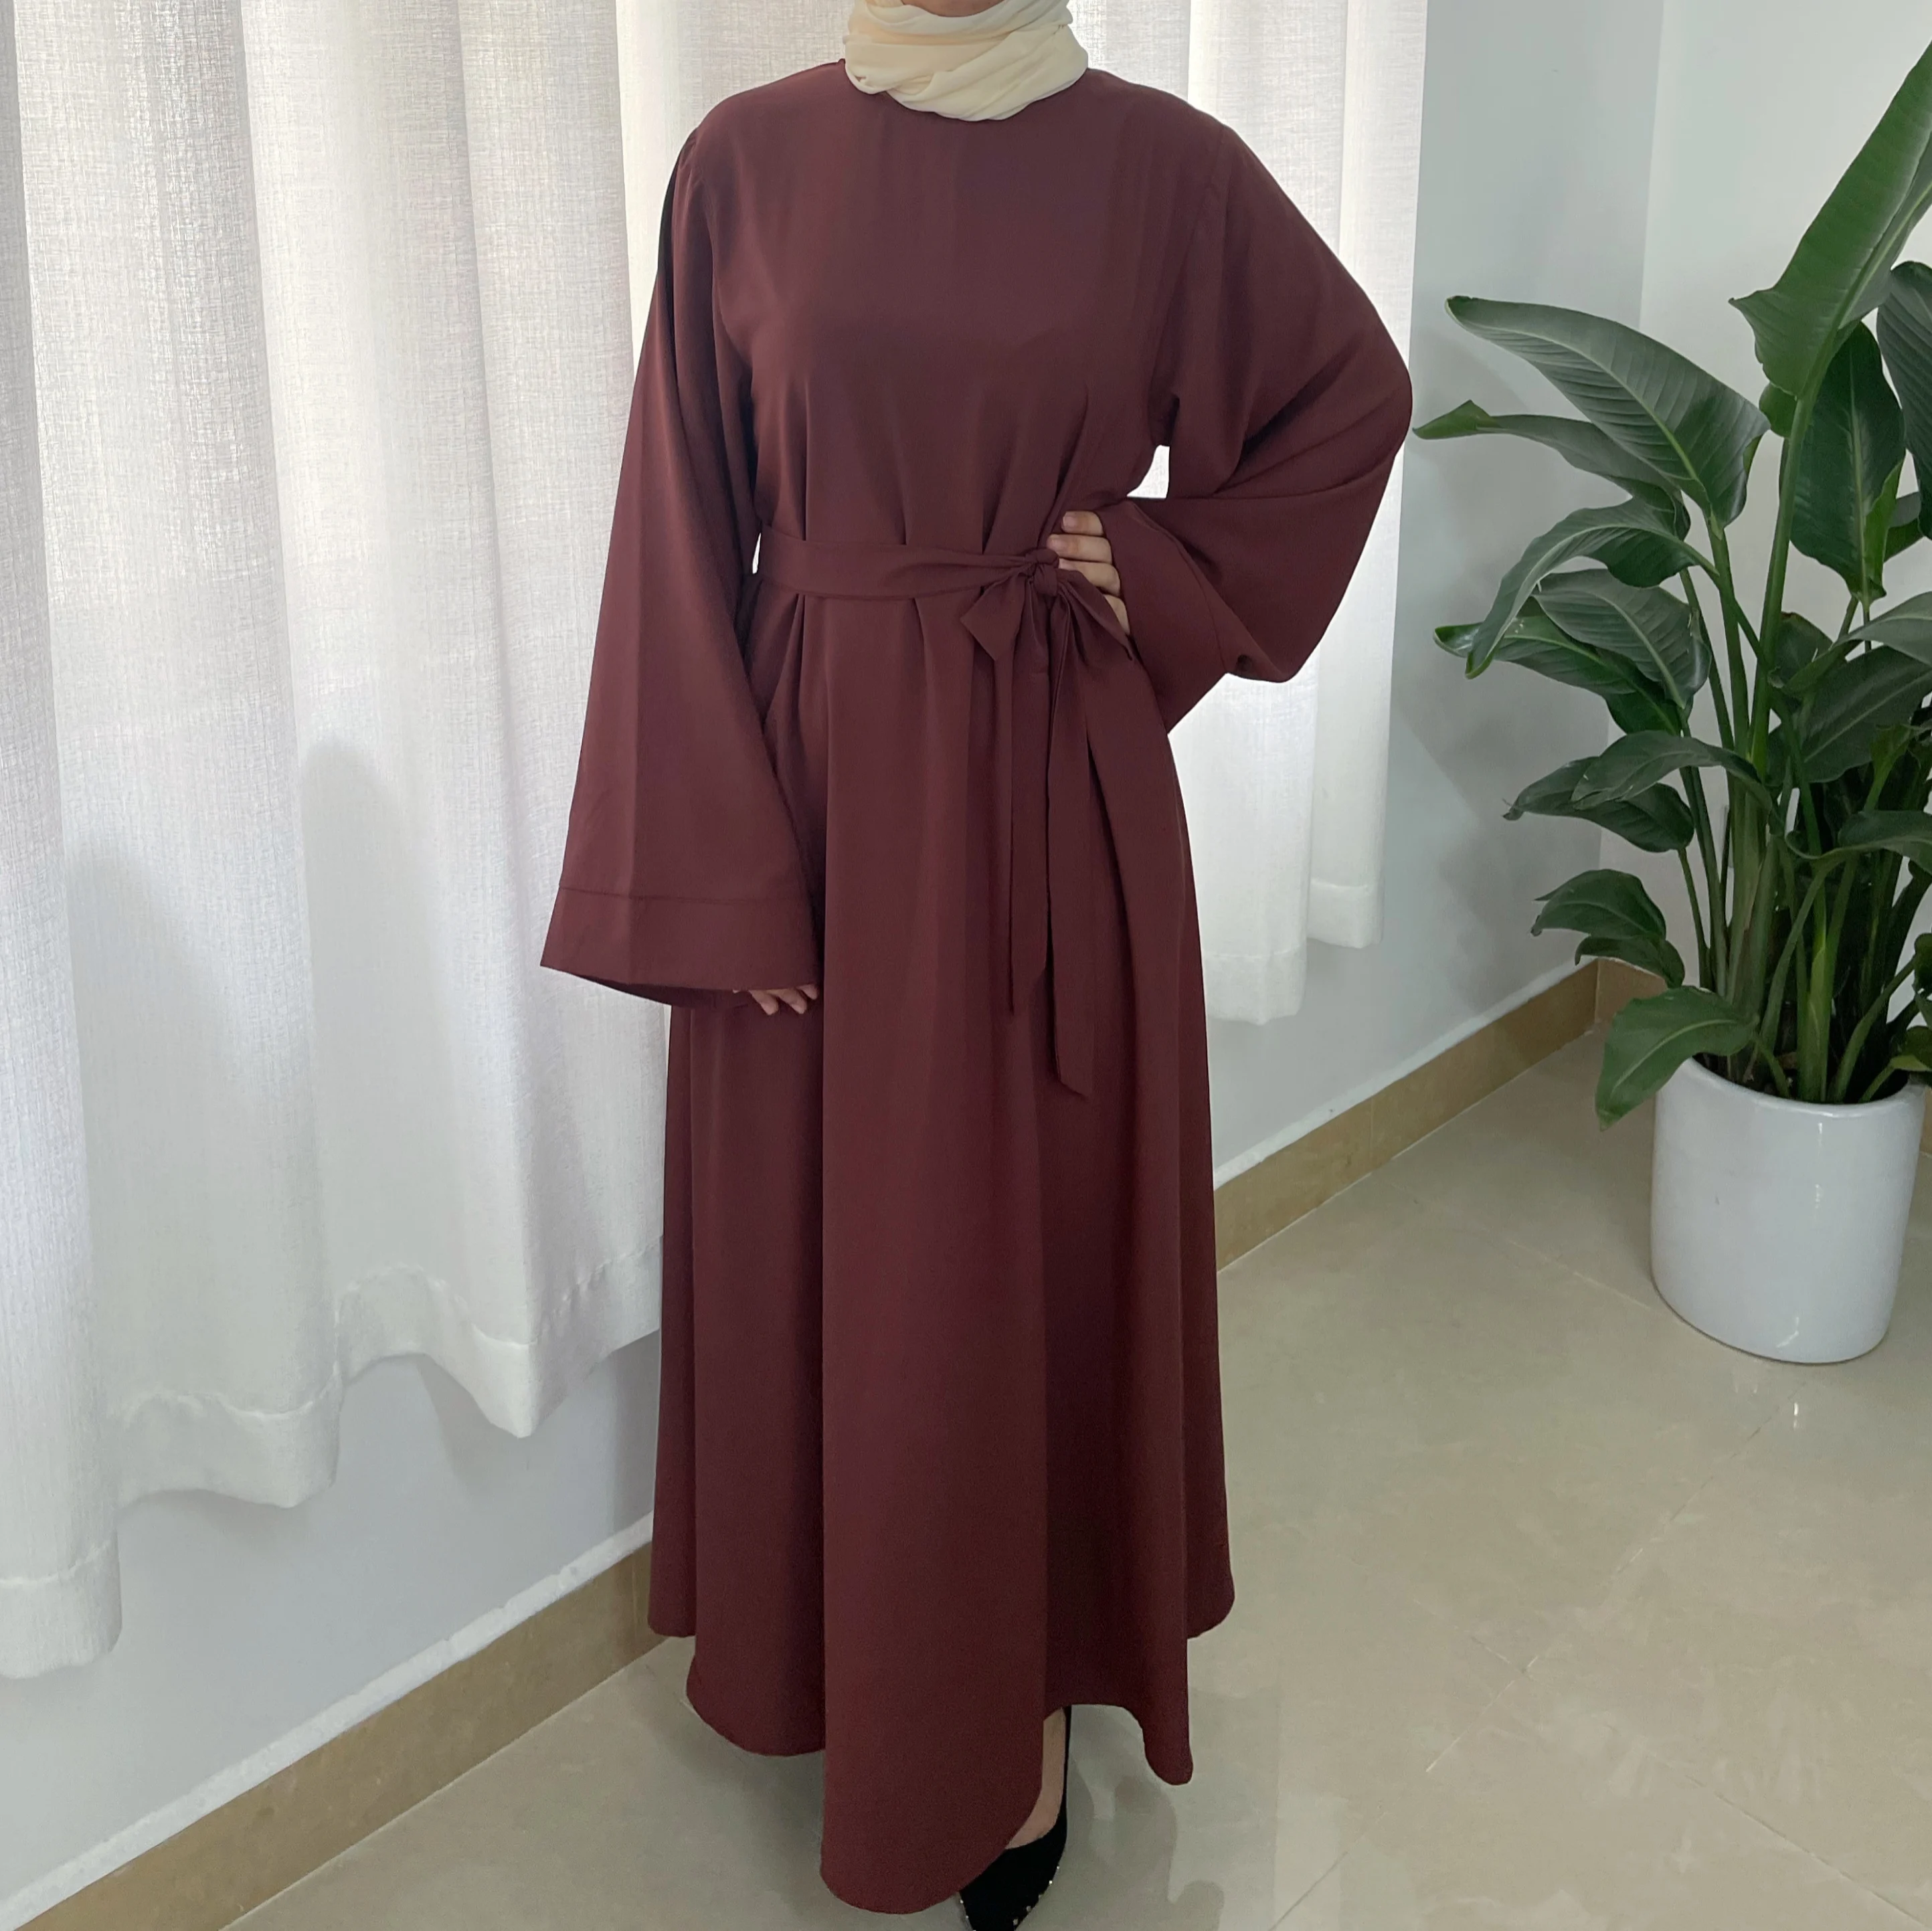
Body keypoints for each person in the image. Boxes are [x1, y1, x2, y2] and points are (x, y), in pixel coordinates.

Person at [541, 0, 1411, 1921]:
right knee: (844, 1265)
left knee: (1028, 1253)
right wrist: (720, 882)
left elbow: (1349, 394)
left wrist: (1160, 565)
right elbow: (677, 526)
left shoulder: (1165, 171)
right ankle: (859, 1668)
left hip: (1051, 796)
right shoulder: (743, 164)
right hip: (814, 816)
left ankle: (1015, 1711)